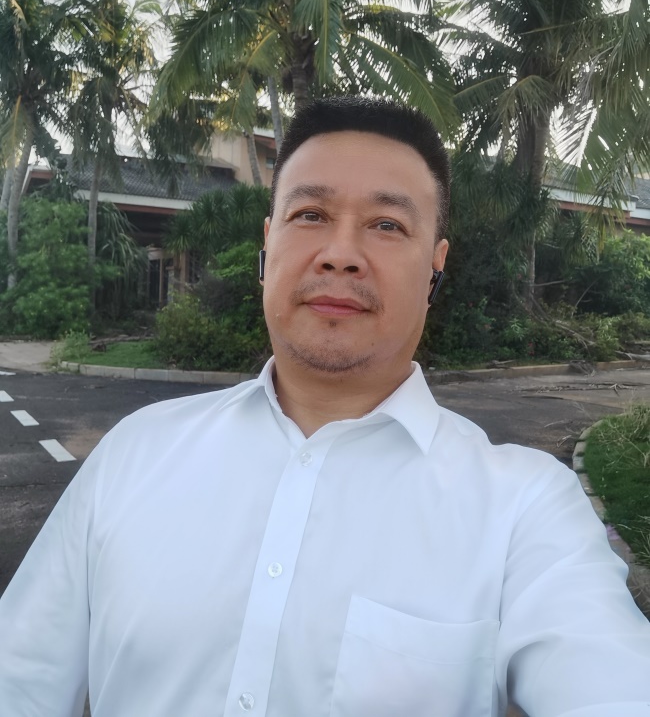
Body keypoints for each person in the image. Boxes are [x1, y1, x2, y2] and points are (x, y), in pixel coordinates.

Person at [0, 96, 649, 717]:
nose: (340, 254)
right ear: (268, 242)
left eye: (387, 225)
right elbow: (20, 679)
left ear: (435, 266)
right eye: (310, 214)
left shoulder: (524, 508)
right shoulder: (134, 453)